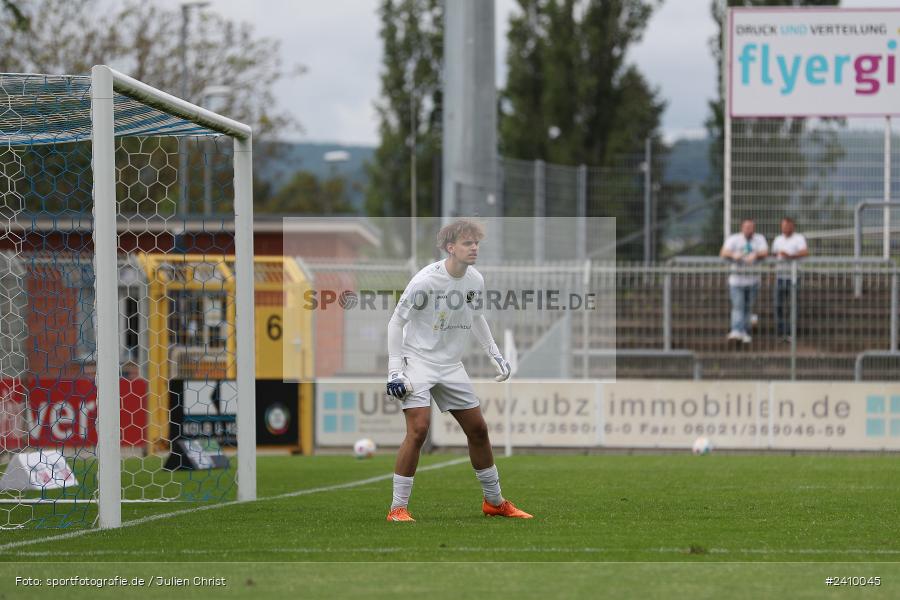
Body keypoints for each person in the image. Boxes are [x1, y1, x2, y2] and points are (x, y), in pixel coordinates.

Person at [384, 219, 533, 522]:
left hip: (451, 366)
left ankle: (494, 502)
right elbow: (396, 322)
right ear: (450, 248)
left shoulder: (475, 280)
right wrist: (394, 372)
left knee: (478, 430)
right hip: (418, 362)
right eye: (467, 243)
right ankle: (397, 509)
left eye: (476, 242)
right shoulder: (425, 280)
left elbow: (476, 317)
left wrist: (496, 355)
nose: (474, 247)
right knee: (418, 430)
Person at [719, 219, 768, 344]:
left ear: (754, 228)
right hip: (736, 281)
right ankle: (736, 330)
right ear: (742, 228)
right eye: (746, 227)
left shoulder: (759, 239)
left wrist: (756, 254)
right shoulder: (734, 239)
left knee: (748, 307)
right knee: (738, 306)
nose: (749, 229)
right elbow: (723, 252)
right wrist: (734, 254)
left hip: (753, 280)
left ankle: (745, 332)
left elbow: (765, 252)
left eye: (751, 227)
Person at [771, 217, 808, 342]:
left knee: (793, 306)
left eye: (787, 226)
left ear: (793, 226)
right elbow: (774, 255)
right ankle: (781, 332)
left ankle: (791, 332)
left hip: (793, 278)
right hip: (780, 277)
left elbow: (804, 252)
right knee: (778, 305)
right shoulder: (777, 239)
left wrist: (790, 256)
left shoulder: (799, 238)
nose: (785, 228)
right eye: (783, 226)